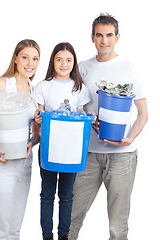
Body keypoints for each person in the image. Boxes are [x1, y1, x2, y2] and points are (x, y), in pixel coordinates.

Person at [69, 13, 148, 240]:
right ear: (92, 38)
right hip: (89, 154)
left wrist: (129, 138)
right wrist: (87, 117)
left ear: (117, 37)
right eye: (99, 35)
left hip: (122, 156)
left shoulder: (130, 68)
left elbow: (143, 114)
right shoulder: (82, 68)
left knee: (117, 225)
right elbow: (74, 107)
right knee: (72, 217)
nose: (104, 40)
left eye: (109, 35)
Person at [0, 39, 41, 240]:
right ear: (15, 58)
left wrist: (33, 141)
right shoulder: (1, 84)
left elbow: (35, 134)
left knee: (14, 228)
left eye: (35, 58)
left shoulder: (34, 90)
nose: (30, 63)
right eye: (25, 57)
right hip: (1, 162)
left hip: (24, 163)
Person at [33, 42, 91, 240]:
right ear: (53, 61)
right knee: (47, 195)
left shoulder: (79, 88)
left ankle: (64, 235)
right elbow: (38, 115)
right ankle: (47, 235)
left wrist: (89, 116)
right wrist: (38, 118)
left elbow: (83, 115)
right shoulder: (44, 86)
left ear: (74, 63)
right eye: (59, 60)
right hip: (49, 148)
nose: (63, 64)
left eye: (68, 60)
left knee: (66, 196)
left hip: (72, 151)